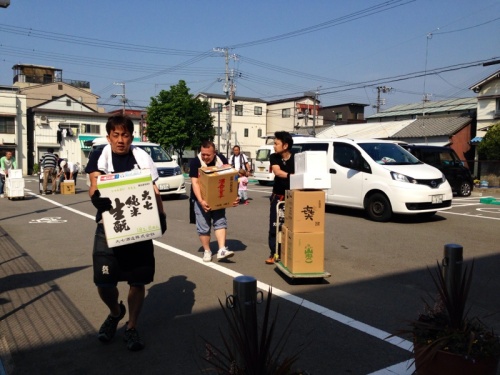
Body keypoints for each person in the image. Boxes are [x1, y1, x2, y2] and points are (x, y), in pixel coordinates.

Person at [85, 115, 167, 352]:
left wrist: (161, 218)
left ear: (132, 136)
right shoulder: (100, 155)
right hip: (108, 227)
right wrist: (96, 198)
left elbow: (154, 190)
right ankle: (115, 312)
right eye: (116, 135)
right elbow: (94, 183)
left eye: (125, 135)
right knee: (104, 282)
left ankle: (131, 326)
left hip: (139, 229)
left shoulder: (142, 156)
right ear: (109, 136)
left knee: (138, 280)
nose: (121, 140)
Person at [189, 140, 239, 262]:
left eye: (208, 155)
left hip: (218, 198)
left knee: (220, 221)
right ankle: (207, 250)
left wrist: (233, 197)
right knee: (203, 226)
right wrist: (201, 201)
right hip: (200, 199)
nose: (205, 157)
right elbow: (195, 182)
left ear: (214, 153)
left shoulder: (221, 159)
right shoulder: (196, 162)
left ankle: (222, 249)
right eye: (203, 154)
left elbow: (229, 179)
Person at [266, 131, 295, 265]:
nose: (274, 146)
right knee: (275, 224)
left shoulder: (296, 157)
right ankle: (274, 253)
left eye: (276, 143)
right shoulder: (274, 157)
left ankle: (289, 253)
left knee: (291, 226)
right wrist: (293, 176)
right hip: (277, 196)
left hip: (293, 196)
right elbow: (277, 172)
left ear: (285, 145)